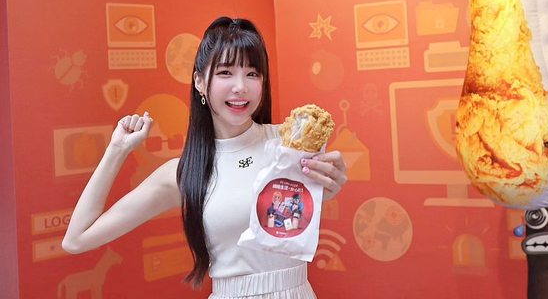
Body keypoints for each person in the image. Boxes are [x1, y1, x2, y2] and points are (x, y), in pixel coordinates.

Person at [62, 16, 348, 298]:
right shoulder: (184, 172)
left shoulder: (289, 143)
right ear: (199, 81)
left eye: (252, 73)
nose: (241, 86)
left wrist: (330, 185)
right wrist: (117, 150)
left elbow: (301, 211)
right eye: (225, 72)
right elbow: (76, 239)